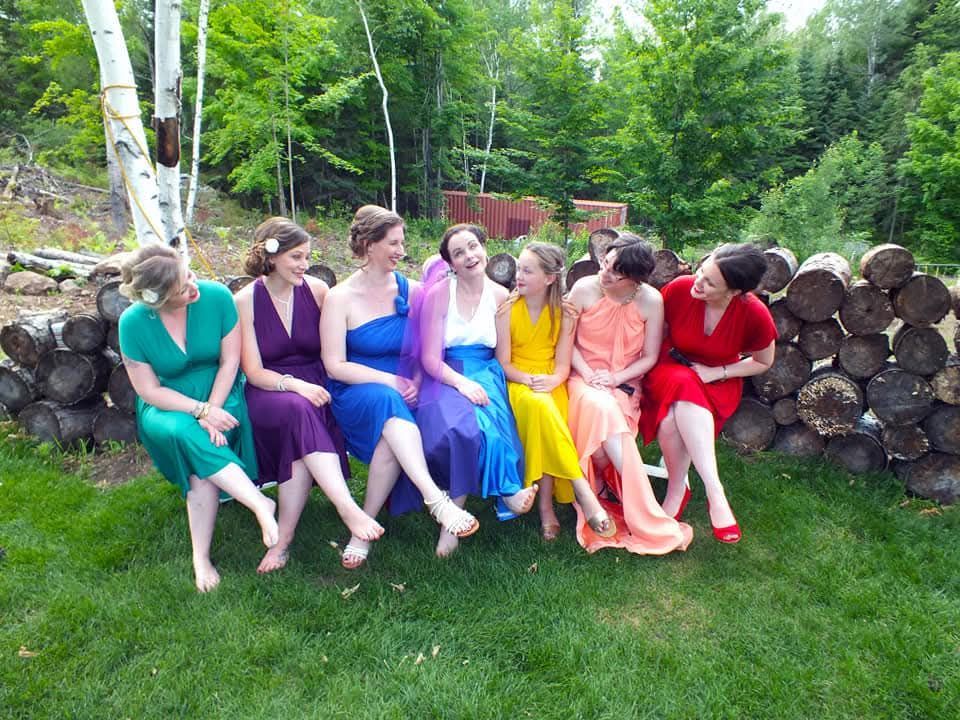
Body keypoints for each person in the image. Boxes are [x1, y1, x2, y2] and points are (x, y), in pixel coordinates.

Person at [320, 205, 480, 569]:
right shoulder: (340, 297)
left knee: (393, 438)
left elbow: (427, 346)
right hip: (358, 387)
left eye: (402, 242)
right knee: (387, 402)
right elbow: (335, 365)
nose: (401, 250)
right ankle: (435, 499)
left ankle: (362, 530)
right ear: (368, 244)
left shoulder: (415, 291)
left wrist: (419, 380)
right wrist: (391, 380)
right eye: (393, 243)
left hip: (410, 385)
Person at [117, 245, 279, 593]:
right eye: (182, 288)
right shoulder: (132, 323)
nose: (193, 287)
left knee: (198, 460)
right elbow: (149, 390)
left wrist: (212, 408)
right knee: (185, 432)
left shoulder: (217, 296)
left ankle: (200, 557)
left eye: (189, 274)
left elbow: (230, 362)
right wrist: (199, 411)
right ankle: (257, 502)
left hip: (221, 390)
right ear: (157, 299)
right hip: (168, 403)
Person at [236, 217, 383, 573]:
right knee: (298, 409)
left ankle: (282, 541)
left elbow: (336, 347)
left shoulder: (317, 291)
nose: (305, 264)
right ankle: (348, 509)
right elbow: (253, 371)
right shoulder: (245, 301)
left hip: (318, 385)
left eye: (307, 257)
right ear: (271, 257)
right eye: (296, 257)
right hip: (270, 389)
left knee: (300, 439)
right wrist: (296, 385)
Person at [411, 224, 538, 557]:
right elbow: (429, 358)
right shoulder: (440, 294)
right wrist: (461, 383)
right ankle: (496, 493)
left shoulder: (501, 296)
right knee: (458, 430)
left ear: (484, 247)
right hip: (445, 372)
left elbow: (502, 354)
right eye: (458, 253)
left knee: (485, 423)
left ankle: (467, 512)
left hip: (486, 370)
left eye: (472, 246)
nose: (469, 256)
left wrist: (512, 379)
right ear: (451, 263)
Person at [639, 243, 777, 543]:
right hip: (670, 366)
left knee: (671, 420)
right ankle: (715, 492)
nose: (698, 282)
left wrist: (718, 372)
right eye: (701, 272)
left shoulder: (754, 313)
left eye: (710, 283)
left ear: (734, 292)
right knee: (683, 382)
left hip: (716, 378)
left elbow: (763, 361)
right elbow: (655, 335)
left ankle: (678, 489)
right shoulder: (679, 289)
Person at [566, 235, 693, 555]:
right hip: (581, 378)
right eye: (605, 264)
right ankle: (643, 509)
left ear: (635, 279)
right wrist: (590, 375)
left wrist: (615, 378)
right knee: (601, 409)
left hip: (624, 383)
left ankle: (600, 489)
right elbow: (565, 344)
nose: (604, 274)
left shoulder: (651, 301)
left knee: (606, 423)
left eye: (615, 272)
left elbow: (649, 357)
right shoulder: (583, 289)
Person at [495, 242, 616, 543]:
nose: (518, 276)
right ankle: (578, 491)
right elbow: (504, 363)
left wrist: (551, 381)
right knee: (541, 407)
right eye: (519, 268)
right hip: (518, 381)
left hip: (551, 380)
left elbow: (563, 365)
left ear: (549, 278)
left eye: (527, 271)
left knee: (547, 410)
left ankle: (546, 504)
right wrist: (527, 379)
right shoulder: (507, 310)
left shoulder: (565, 314)